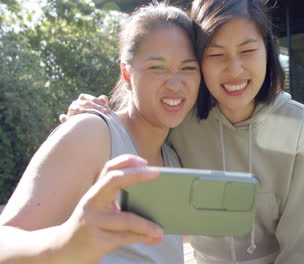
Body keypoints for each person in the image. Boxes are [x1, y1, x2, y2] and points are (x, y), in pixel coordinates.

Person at [61, 0, 304, 263]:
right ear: (199, 61)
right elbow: (131, 130)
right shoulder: (180, 120)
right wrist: (91, 116)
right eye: (216, 54)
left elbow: (302, 248)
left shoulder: (297, 124)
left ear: (267, 51)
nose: (234, 69)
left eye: (247, 51)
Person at [0, 2, 200, 264]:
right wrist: (65, 242)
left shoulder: (174, 158)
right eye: (156, 67)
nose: (175, 83)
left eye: (188, 68)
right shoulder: (91, 134)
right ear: (127, 73)